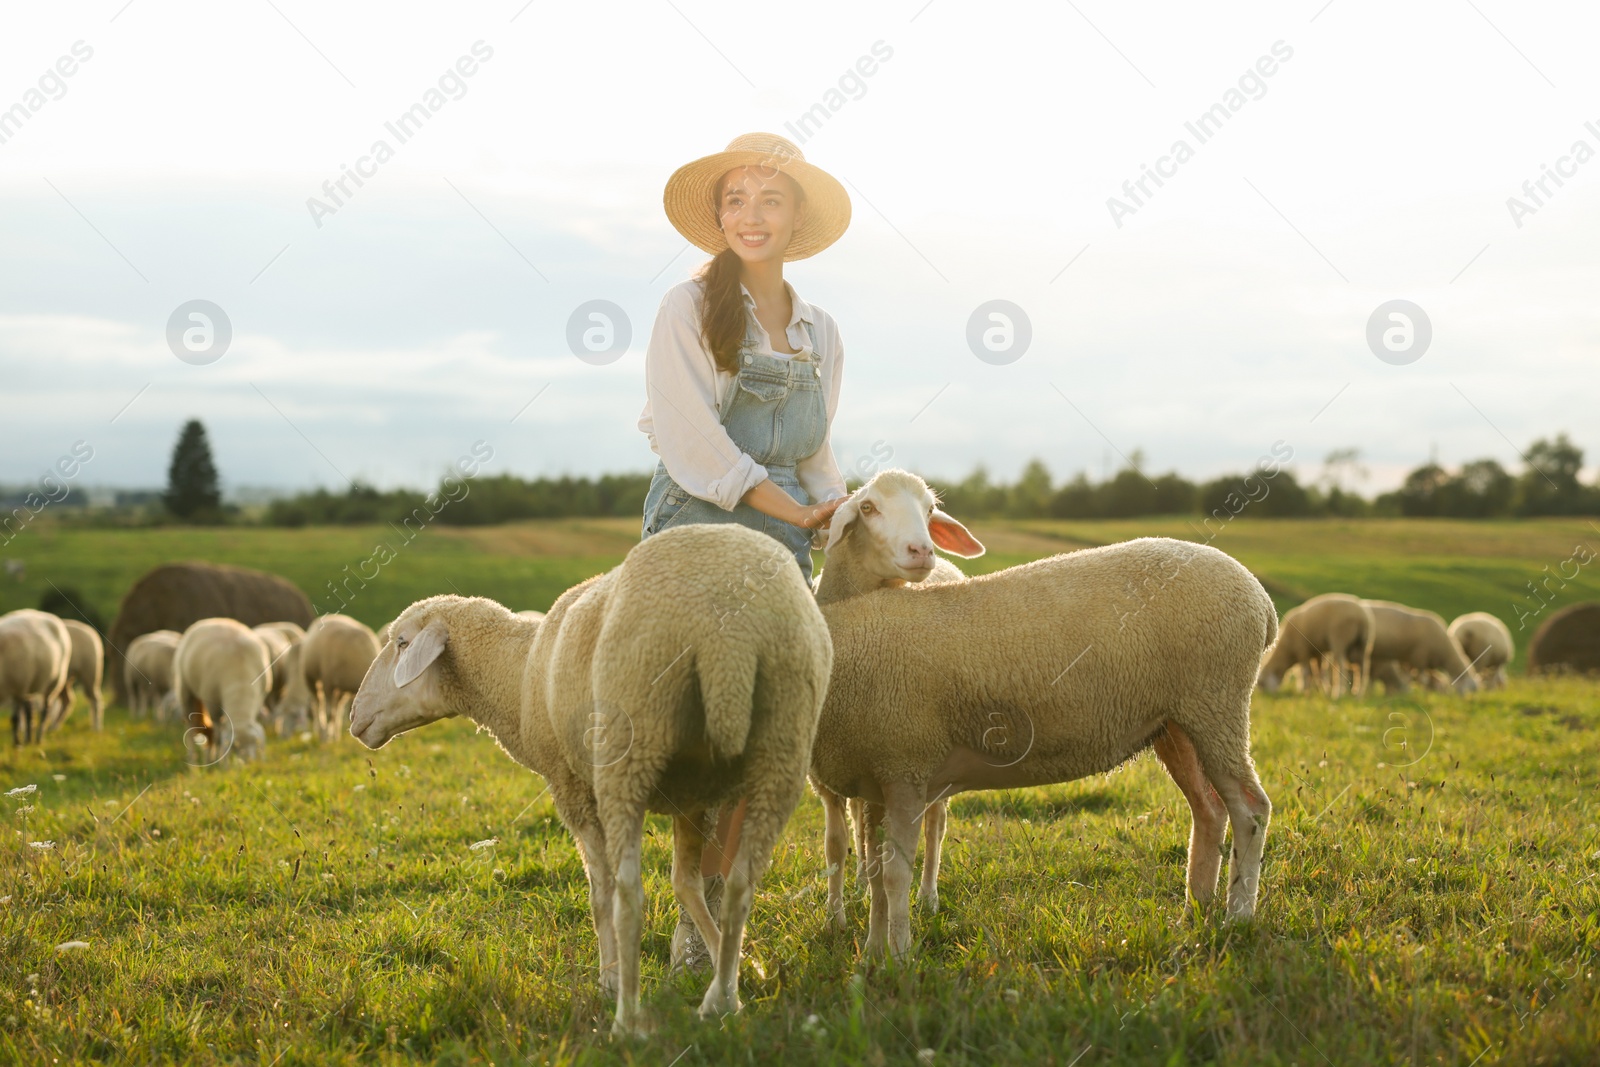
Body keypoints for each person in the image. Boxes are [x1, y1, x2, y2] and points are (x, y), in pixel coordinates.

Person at [636, 131, 853, 969]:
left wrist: (836, 513)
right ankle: (690, 913)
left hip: (787, 537)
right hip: (696, 528)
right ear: (717, 215)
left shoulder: (821, 331)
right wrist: (793, 515)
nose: (750, 216)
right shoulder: (686, 311)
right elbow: (697, 449)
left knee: (767, 736)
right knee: (701, 724)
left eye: (770, 200)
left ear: (795, 219)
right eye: (736, 199)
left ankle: (722, 898)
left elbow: (816, 455)